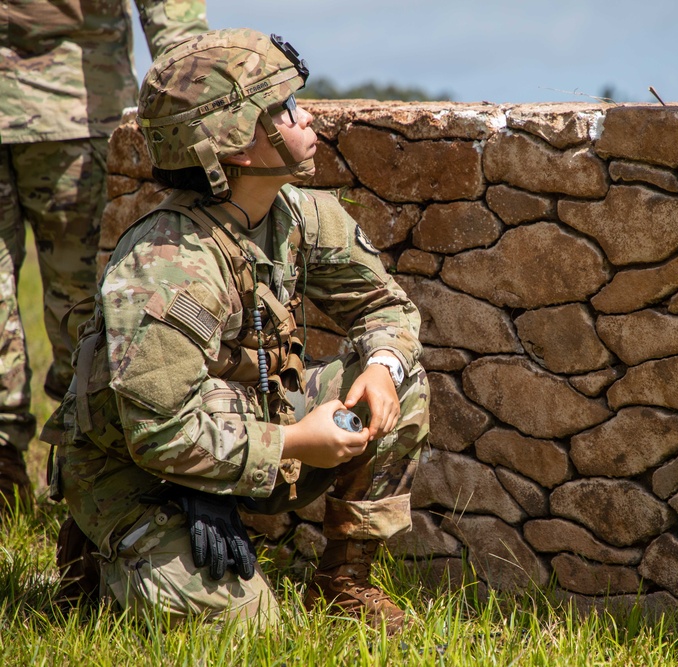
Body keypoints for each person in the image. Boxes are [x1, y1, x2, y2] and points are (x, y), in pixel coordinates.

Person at [41, 28, 429, 630]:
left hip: (242, 425)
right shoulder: (167, 266)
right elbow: (158, 435)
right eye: (285, 110)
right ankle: (98, 552)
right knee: (246, 626)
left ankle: (344, 585)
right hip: (134, 471)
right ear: (238, 145)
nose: (309, 123)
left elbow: (386, 309)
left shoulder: (296, 214)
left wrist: (382, 367)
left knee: (403, 386)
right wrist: (298, 443)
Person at [0, 0, 208, 512]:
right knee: (84, 302)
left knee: (85, 305)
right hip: (73, 105)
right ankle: (86, 473)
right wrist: (200, 98)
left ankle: (17, 466)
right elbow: (171, 13)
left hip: (75, 108)